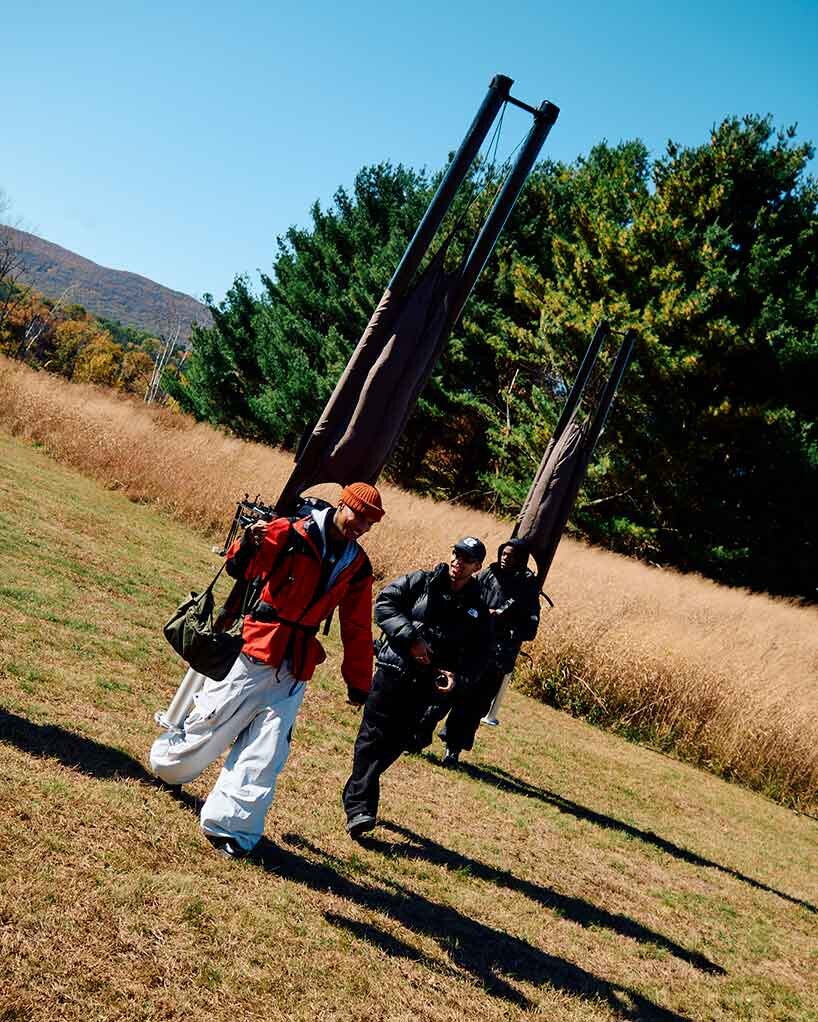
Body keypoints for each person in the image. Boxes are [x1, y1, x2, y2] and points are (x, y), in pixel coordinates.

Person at [150, 482, 385, 859]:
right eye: (358, 515)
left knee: (267, 751)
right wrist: (248, 542)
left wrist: (359, 683)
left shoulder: (358, 566)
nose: (362, 526)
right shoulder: (291, 531)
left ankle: (232, 830)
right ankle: (168, 769)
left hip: (294, 666)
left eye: (370, 523)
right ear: (343, 505)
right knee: (209, 725)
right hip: (255, 649)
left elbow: (356, 627)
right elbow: (242, 568)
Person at [342, 536, 491, 839]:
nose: (457, 562)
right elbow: (385, 603)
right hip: (393, 670)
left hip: (427, 686)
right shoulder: (421, 582)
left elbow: (481, 654)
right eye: (456, 554)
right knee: (372, 736)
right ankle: (360, 809)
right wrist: (411, 639)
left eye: (466, 559)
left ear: (477, 567)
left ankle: (356, 788)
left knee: (399, 741)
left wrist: (457, 678)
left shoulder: (478, 607)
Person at [438, 538, 540, 765]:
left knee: (474, 705)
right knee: (444, 692)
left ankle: (452, 749)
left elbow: (530, 629)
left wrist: (505, 623)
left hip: (496, 657)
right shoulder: (487, 576)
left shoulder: (528, 589)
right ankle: (417, 736)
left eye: (512, 555)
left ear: (522, 560)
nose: (506, 558)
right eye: (504, 553)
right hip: (468, 647)